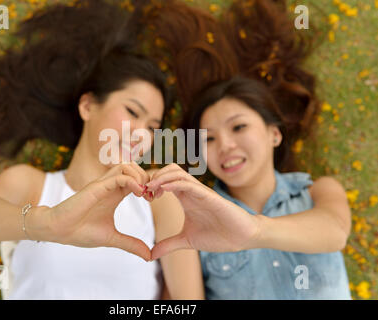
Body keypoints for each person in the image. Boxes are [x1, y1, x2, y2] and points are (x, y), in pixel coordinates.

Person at [0, 1, 204, 300]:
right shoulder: (35, 186)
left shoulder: (157, 199)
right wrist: (47, 224)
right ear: (87, 106)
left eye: (151, 127)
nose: (140, 134)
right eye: (133, 112)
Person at [142, 0, 352, 299]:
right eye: (208, 139)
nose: (225, 145)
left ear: (274, 134)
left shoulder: (316, 192)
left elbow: (334, 232)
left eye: (238, 127)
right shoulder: (194, 220)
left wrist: (253, 230)